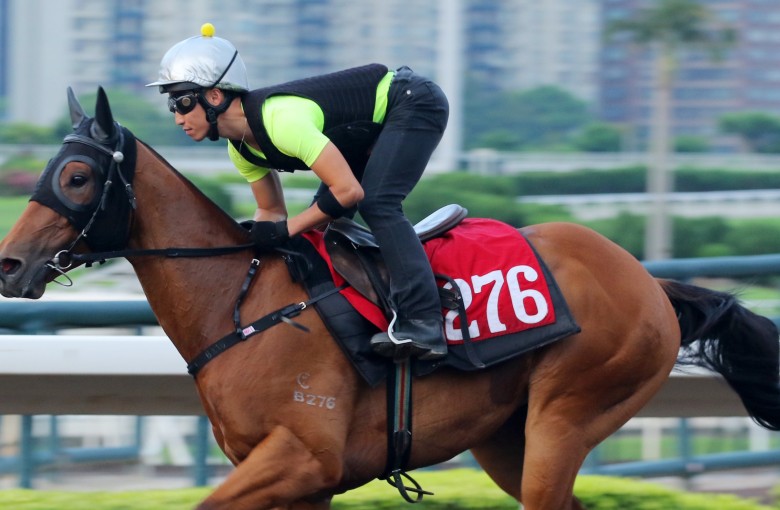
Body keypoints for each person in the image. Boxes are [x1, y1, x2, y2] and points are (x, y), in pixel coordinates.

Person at [147, 24, 450, 360]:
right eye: (172, 106)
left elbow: (348, 192)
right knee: (321, 229)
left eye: (182, 102)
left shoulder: (280, 122)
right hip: (362, 131)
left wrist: (286, 231)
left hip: (410, 103)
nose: (178, 118)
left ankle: (423, 322)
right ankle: (359, 314)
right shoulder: (240, 150)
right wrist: (256, 238)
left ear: (214, 96)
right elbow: (272, 211)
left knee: (378, 203)